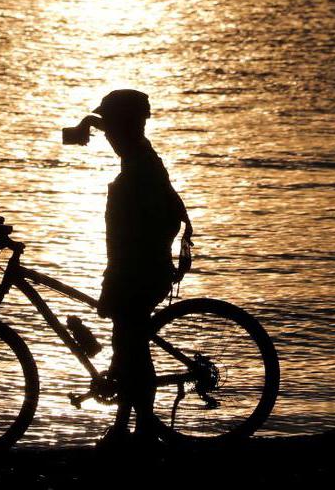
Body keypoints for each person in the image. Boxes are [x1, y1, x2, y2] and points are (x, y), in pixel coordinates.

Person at [65, 89, 192, 447]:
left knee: (132, 348)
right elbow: (118, 134)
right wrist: (88, 123)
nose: (111, 137)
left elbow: (133, 241)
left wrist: (113, 282)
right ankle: (125, 427)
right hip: (137, 268)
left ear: (128, 126)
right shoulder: (138, 153)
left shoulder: (140, 171)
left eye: (114, 128)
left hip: (142, 271)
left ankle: (144, 430)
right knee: (126, 345)